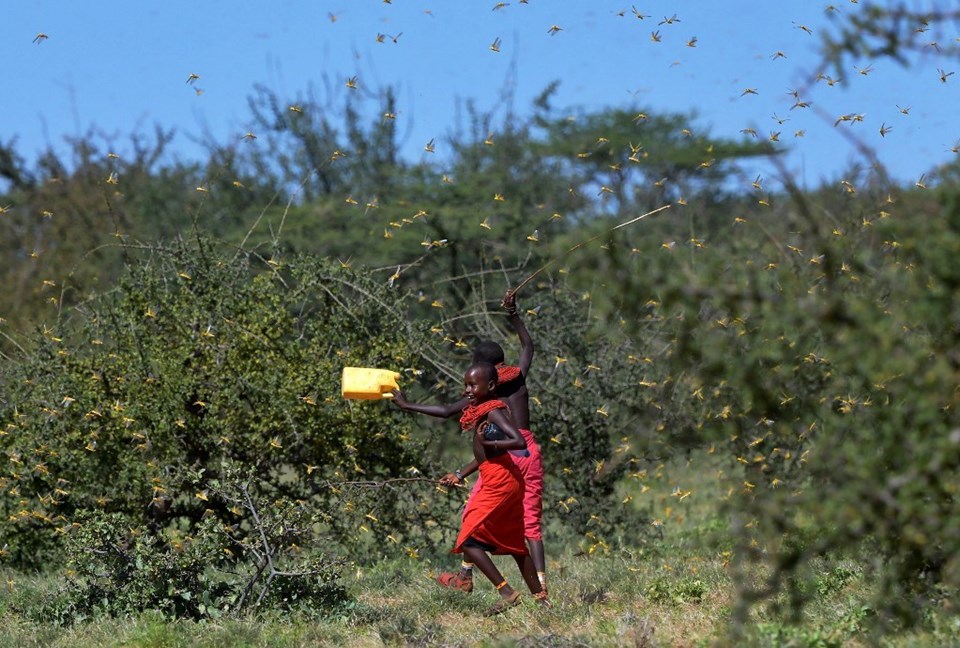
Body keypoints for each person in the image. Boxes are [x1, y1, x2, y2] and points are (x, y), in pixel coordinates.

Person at [392, 290, 548, 597]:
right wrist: (513, 313)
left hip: (507, 455)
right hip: (530, 452)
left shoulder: (484, 396)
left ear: (484, 372)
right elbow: (528, 345)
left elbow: (450, 412)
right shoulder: (517, 377)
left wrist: (408, 405)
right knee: (527, 522)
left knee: (475, 515)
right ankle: (540, 587)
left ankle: (472, 577)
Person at [449, 362, 544, 615]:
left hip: (500, 482)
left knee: (468, 541)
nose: (468, 389)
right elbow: (484, 455)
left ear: (490, 386)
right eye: (466, 384)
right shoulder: (481, 410)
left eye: (473, 385)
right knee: (515, 545)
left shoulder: (493, 411)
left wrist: (492, 442)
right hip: (501, 478)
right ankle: (542, 600)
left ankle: (506, 592)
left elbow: (518, 440)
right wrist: (458, 474)